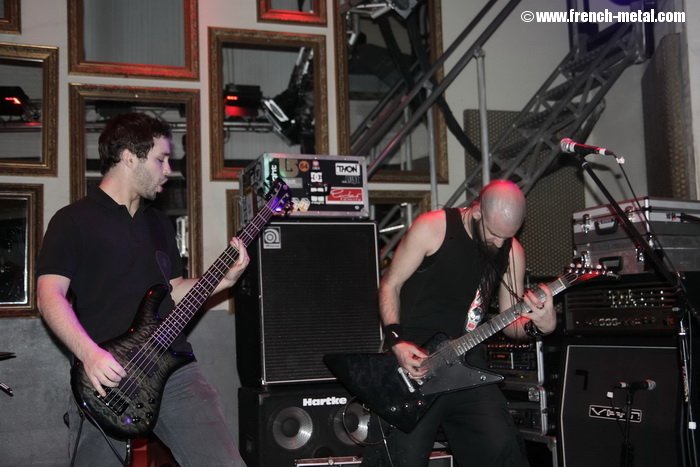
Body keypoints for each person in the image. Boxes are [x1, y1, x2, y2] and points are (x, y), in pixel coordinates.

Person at [36, 112, 249, 466]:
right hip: (105, 375)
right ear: (129, 157)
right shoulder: (73, 220)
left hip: (173, 366)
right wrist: (89, 354)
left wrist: (222, 281)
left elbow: (172, 289)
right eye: (161, 159)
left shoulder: (158, 223)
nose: (169, 170)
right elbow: (49, 295)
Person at [364, 179, 556, 467]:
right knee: (399, 459)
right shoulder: (433, 228)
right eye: (494, 234)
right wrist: (396, 342)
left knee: (502, 449)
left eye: (508, 236)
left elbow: (511, 324)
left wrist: (542, 324)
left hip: (467, 364)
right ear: (476, 211)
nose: (500, 243)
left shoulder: (511, 250)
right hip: (414, 364)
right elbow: (390, 284)